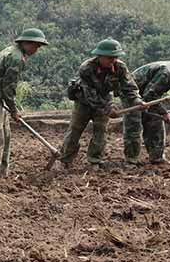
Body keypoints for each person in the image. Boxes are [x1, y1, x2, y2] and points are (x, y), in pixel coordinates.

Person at [0, 28, 49, 180]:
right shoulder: (16, 57)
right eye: (35, 46)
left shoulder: (12, 51)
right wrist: (14, 110)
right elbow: (8, 87)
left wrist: (10, 108)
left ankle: (1, 172)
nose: (36, 50)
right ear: (26, 43)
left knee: (6, 136)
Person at [59, 38, 143, 169]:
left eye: (115, 57)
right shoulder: (86, 68)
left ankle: (95, 161)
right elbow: (90, 95)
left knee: (101, 131)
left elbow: (129, 86)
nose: (113, 60)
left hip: (105, 98)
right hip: (84, 102)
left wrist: (136, 99)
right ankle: (65, 159)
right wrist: (107, 108)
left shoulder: (120, 67)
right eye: (109, 57)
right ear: (100, 56)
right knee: (75, 130)